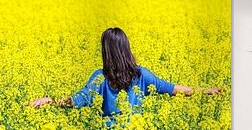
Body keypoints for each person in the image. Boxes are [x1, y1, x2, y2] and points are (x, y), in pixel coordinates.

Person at [32, 27, 221, 116]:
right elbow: (172, 89)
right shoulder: (141, 75)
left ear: (106, 51)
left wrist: (50, 101)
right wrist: (205, 91)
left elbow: (78, 100)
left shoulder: (100, 78)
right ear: (126, 48)